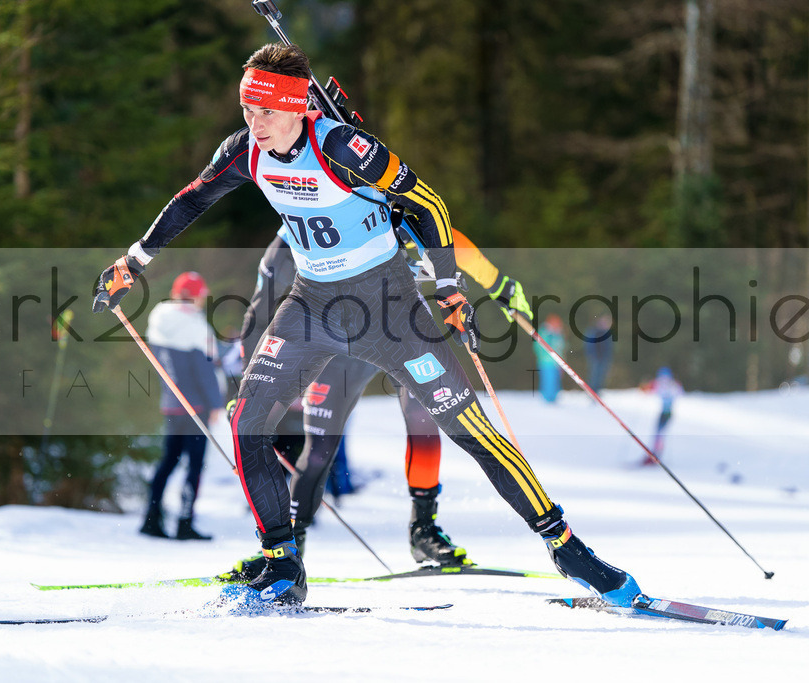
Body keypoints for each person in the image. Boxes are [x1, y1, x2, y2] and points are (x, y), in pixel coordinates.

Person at [93, 42, 641, 609]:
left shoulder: (342, 148)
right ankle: (282, 562)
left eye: (267, 112)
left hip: (389, 307)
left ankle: (567, 548)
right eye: (247, 111)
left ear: (299, 107)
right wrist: (132, 261)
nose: (255, 124)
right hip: (311, 306)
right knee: (247, 419)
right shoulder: (245, 153)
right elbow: (192, 199)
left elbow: (428, 205)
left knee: (468, 428)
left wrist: (449, 287)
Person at [221, 225, 532, 582]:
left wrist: (498, 284)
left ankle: (424, 530)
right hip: (336, 348)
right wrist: (245, 393)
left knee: (424, 421)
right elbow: (260, 311)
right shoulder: (286, 243)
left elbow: (443, 234)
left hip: (398, 331)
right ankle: (289, 548)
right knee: (320, 448)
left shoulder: (366, 196)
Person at [139, 271, 224, 540]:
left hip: (171, 403)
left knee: (169, 461)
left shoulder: (159, 318)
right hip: (196, 406)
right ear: (197, 295)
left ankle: (151, 519)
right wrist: (216, 404)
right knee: (195, 465)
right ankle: (185, 522)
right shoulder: (196, 326)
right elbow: (205, 370)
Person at [639, 367, 683, 466]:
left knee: (659, 433)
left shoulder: (671, 385)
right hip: (664, 412)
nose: (664, 380)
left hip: (667, 413)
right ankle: (654, 454)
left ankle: (655, 455)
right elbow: (648, 388)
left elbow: (679, 392)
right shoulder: (663, 384)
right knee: (658, 433)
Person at [534, 314, 565, 403]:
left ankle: (553, 399)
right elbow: (538, 347)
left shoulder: (558, 334)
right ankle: (547, 399)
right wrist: (544, 356)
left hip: (557, 363)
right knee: (548, 381)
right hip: (546, 362)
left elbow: (561, 348)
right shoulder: (545, 332)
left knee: (555, 382)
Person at [583, 314, 614, 395]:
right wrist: (591, 355)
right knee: (594, 376)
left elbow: (609, 347)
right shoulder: (594, 331)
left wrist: (608, 357)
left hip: (603, 358)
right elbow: (589, 345)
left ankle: (597, 391)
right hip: (595, 357)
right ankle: (592, 392)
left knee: (601, 376)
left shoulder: (607, 334)